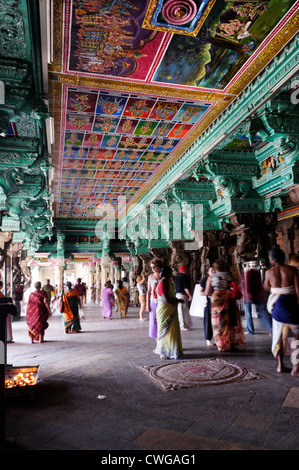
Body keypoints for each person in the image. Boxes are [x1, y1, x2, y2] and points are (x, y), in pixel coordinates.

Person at [264, 247, 299, 375]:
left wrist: (276, 287)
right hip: (291, 304)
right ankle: (296, 368)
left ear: (272, 260)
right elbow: (298, 290)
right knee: (296, 335)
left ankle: (280, 365)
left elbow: (266, 287)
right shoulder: (292, 270)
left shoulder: (269, 272)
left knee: (278, 335)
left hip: (277, 306)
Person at [205, 259, 246, 352]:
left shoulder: (211, 277)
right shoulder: (229, 276)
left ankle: (222, 344)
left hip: (217, 301)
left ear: (215, 268)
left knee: (219, 323)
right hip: (229, 299)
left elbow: (207, 292)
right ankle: (232, 344)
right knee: (231, 322)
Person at [154, 266, 183, 360]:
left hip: (169, 308)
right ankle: (163, 352)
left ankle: (171, 350)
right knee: (164, 331)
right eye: (171, 272)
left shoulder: (167, 282)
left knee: (172, 330)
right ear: (168, 273)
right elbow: (166, 299)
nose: (172, 274)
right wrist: (178, 300)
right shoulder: (163, 283)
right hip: (165, 309)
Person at [243, 266, 272, 335]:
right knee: (263, 313)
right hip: (259, 295)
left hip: (249, 296)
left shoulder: (247, 273)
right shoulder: (257, 273)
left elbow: (247, 285)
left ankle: (250, 331)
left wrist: (246, 295)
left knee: (248, 314)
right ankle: (271, 330)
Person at [147, 257, 163, 341]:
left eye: (154, 267)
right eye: (151, 267)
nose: (153, 269)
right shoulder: (150, 277)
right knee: (153, 321)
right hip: (153, 301)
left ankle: (162, 339)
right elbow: (148, 291)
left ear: (158, 266)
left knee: (162, 321)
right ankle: (158, 342)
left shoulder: (163, 275)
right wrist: (147, 304)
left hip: (162, 302)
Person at [199, 267, 215, 346]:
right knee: (208, 322)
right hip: (208, 303)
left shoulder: (217, 279)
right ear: (208, 272)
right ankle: (208, 339)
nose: (213, 271)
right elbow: (201, 292)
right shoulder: (205, 280)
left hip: (217, 303)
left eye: (214, 270)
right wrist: (208, 293)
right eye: (211, 270)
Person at [175, 266, 192, 330]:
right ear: (182, 270)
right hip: (182, 295)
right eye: (186, 270)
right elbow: (186, 288)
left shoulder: (177, 277)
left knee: (182, 310)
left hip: (178, 295)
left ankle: (184, 324)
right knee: (182, 310)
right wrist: (190, 295)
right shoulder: (183, 277)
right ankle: (182, 325)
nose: (187, 271)